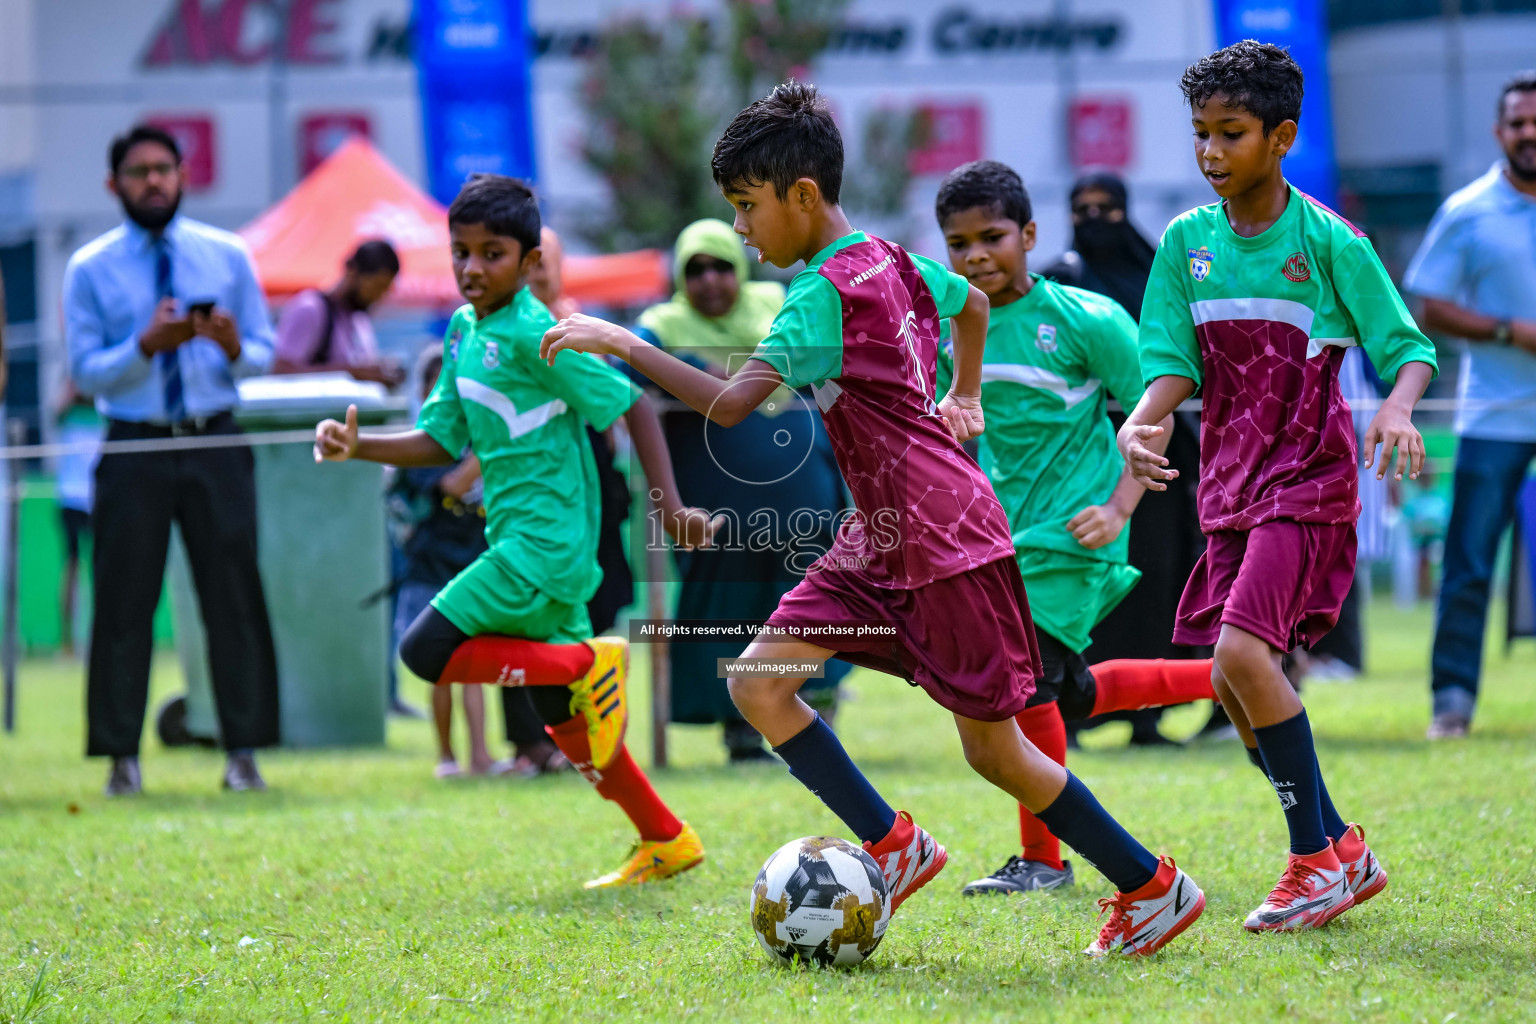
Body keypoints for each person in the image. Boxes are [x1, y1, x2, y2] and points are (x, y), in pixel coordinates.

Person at [542, 81, 1206, 957]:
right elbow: (970, 306)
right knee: (759, 682)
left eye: (747, 208)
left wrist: (628, 345)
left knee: (998, 753)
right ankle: (897, 845)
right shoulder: (889, 257)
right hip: (880, 537)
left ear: (802, 197)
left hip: (942, 541)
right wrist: (961, 393)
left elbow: (734, 405)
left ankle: (1152, 888)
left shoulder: (821, 293)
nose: (741, 231)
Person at [315, 173, 712, 888]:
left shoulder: (541, 334)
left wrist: (672, 508)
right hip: (517, 542)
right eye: (461, 252)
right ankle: (665, 836)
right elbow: (441, 438)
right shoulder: (464, 331)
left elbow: (637, 408)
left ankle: (589, 663)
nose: (472, 268)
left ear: (530, 264)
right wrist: (361, 445)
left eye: (491, 253)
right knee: (568, 725)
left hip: (546, 544)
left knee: (425, 651)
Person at [1119, 41, 1437, 932]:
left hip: (1309, 479)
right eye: (1200, 135)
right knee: (1230, 683)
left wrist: (1401, 409)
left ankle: (1311, 864)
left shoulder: (1331, 242)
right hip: (1227, 487)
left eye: (1232, 133)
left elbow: (1407, 347)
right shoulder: (1186, 242)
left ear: (1283, 136)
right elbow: (1170, 363)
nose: (1211, 152)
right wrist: (1141, 419)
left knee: (1242, 660)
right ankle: (1340, 847)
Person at [930, 160, 1218, 896]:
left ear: (1028, 234)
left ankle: (1044, 861)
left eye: (991, 237)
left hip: (1073, 534)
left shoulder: (1087, 319)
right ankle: (1231, 678)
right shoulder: (949, 332)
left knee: (1026, 691)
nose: (976, 257)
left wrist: (1121, 505)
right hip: (993, 542)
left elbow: (1153, 413)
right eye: (957, 244)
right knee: (1068, 695)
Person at [64, 123, 279, 796]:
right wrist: (145, 345)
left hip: (215, 438)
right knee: (124, 603)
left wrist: (233, 346)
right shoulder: (88, 267)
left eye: (163, 169)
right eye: (138, 172)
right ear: (114, 185)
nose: (152, 181)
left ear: (184, 175)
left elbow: (267, 354)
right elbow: (84, 371)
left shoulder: (229, 255)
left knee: (234, 598)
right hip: (134, 445)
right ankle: (120, 758)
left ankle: (243, 752)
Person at [632, 217, 849, 762]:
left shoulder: (776, 302)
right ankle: (740, 727)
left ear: (740, 266)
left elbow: (828, 358)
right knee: (729, 608)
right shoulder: (662, 324)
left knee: (809, 602)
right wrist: (690, 365)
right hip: (720, 517)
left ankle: (815, 712)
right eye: (696, 269)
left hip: (806, 498)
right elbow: (624, 365)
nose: (710, 280)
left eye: (721, 266)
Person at [1045, 171, 1208, 749]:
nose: (1094, 219)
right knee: (1085, 575)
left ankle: (1146, 716)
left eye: (1107, 208)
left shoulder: (1153, 274)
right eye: (1081, 208)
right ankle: (1072, 711)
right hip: (1086, 452)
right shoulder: (1062, 280)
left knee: (1157, 572)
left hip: (1161, 447)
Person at [1404, 71, 1536, 739]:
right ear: (1499, 131)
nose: (1529, 132)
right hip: (1496, 414)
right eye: (1518, 122)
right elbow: (1428, 304)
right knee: (1470, 561)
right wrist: (1511, 330)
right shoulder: (1470, 209)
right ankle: (1451, 703)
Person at [271, 239, 405, 386]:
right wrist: (351, 373)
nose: (379, 296)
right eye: (376, 286)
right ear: (352, 270)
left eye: (385, 290)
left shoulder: (359, 319)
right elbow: (281, 373)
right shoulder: (311, 308)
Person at [55, 382, 103, 657]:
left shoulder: (105, 409)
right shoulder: (68, 411)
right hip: (71, 499)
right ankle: (67, 642)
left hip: (98, 498)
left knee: (101, 568)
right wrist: (71, 390)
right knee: (72, 567)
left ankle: (97, 639)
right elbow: (55, 413)